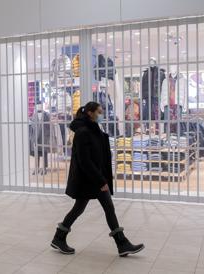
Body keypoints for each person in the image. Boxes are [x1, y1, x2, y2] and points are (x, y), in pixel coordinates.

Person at [51, 101, 144, 257]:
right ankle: (122, 244)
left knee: (93, 208)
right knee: (92, 208)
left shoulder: (93, 129)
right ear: (90, 113)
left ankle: (59, 238)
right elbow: (84, 161)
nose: (102, 115)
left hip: (94, 178)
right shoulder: (83, 132)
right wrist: (101, 181)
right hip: (89, 179)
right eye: (99, 112)